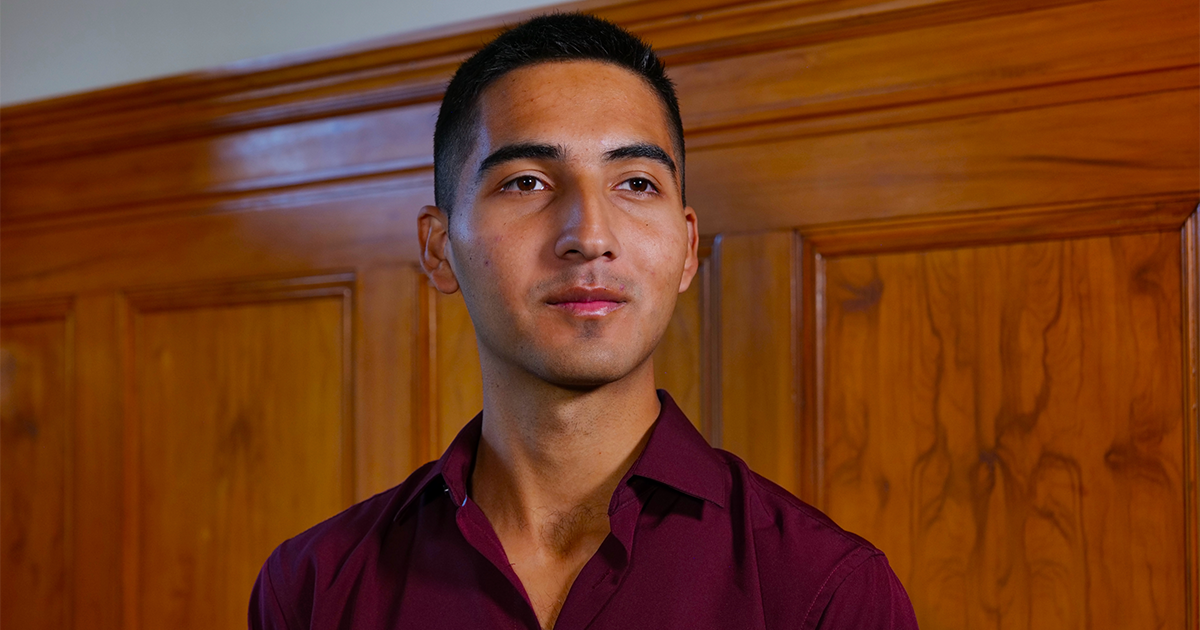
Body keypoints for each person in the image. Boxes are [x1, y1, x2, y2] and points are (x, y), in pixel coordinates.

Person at [249, 13, 918, 630]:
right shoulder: (314, 590)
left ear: (687, 249)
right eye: (527, 183)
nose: (590, 236)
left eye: (636, 183)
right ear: (438, 249)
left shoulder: (826, 593)